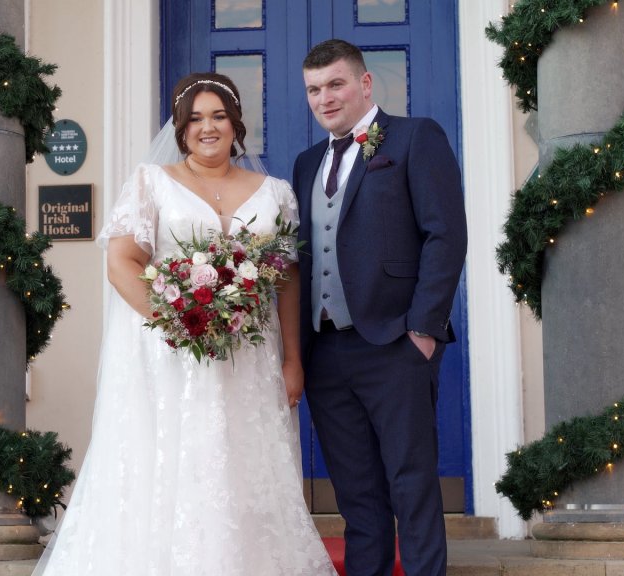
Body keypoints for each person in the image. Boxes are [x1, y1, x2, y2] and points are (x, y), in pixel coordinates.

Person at [33, 72, 337, 575]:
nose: (208, 127)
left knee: (242, 467)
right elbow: (121, 263)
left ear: (236, 123)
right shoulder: (150, 183)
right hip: (171, 359)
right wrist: (180, 323)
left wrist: (292, 360)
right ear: (180, 128)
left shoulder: (276, 193)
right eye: (195, 118)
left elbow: (285, 280)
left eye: (219, 115)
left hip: (248, 360)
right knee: (172, 466)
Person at [292, 39, 468, 576]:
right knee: (357, 495)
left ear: (365, 84)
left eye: (336, 84)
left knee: (411, 484)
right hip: (326, 352)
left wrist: (423, 329)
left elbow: (445, 235)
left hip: (395, 343)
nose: (325, 98)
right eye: (314, 89)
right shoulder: (305, 164)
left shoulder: (416, 138)